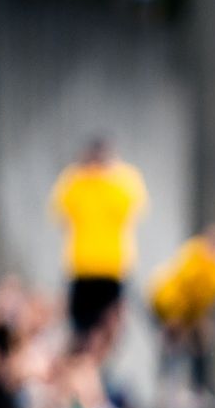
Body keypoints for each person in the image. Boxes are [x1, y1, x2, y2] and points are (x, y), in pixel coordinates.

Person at [48, 137, 149, 349]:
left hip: (112, 266)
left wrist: (111, 174)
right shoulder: (76, 180)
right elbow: (60, 211)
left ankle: (97, 371)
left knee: (111, 327)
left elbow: (135, 207)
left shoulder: (122, 179)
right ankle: (80, 370)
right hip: (82, 266)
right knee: (80, 327)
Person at [147, 223, 215, 408]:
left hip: (193, 310)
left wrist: (198, 318)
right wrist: (175, 317)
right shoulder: (193, 256)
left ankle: (200, 395)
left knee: (203, 344)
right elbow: (178, 288)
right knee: (174, 343)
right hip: (167, 302)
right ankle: (168, 395)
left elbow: (210, 296)